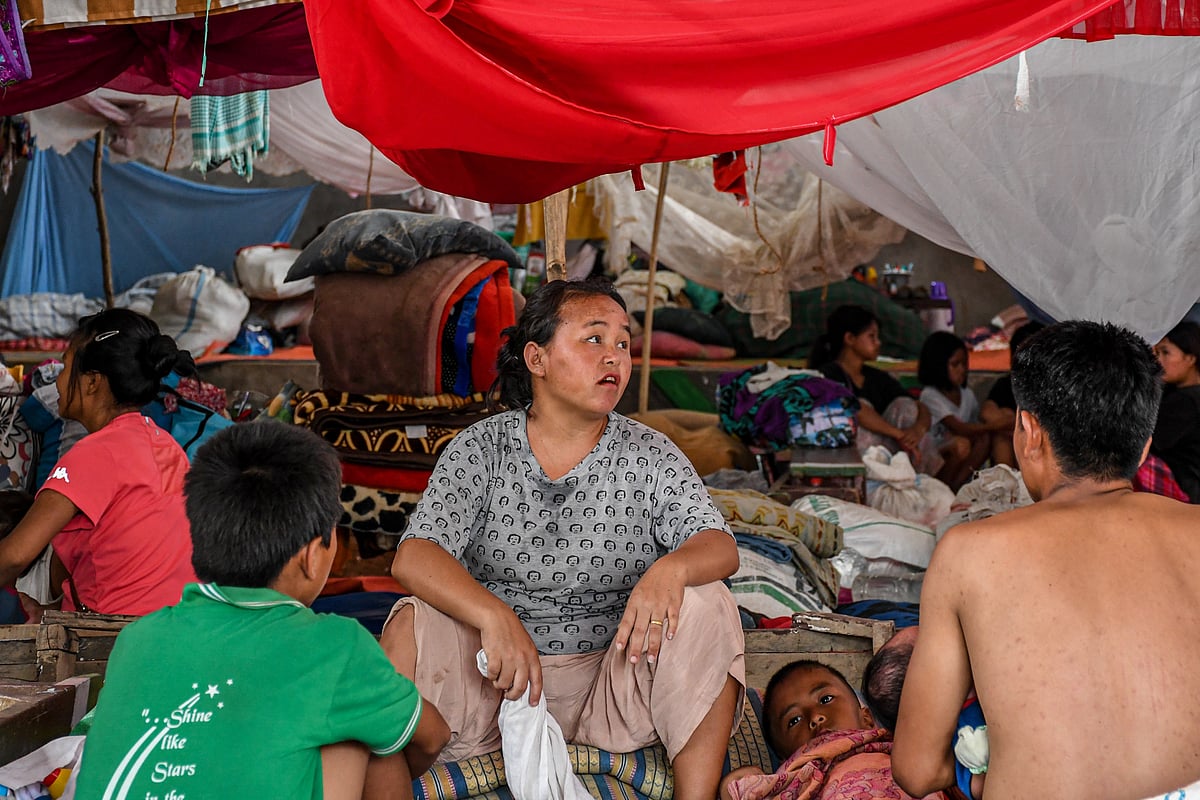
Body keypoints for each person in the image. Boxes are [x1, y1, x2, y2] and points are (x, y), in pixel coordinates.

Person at [380, 277, 744, 800]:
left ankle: (696, 797)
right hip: (497, 681)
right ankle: (383, 786)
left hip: (614, 690)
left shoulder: (650, 453)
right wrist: (494, 616)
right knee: (413, 618)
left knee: (710, 604)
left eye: (623, 342)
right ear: (537, 358)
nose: (614, 357)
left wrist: (673, 568)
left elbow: (720, 544)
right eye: (594, 339)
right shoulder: (480, 449)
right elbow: (414, 555)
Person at [892, 321, 1200, 800]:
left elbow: (916, 769)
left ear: (1027, 432)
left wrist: (976, 776)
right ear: (1142, 448)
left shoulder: (969, 553)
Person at [74, 422, 450, 799]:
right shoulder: (335, 646)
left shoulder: (137, 638)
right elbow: (433, 738)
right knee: (374, 738)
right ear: (309, 556)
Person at [0, 309, 196, 615]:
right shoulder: (168, 447)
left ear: (92, 383)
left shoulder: (94, 453)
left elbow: (13, 557)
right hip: (174, 626)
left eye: (65, 367)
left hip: (111, 640)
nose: (60, 382)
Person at [720, 660, 946, 800]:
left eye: (826, 699)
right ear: (784, 756)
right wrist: (740, 781)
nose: (815, 718)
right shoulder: (795, 775)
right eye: (794, 720)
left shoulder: (900, 749)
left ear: (867, 718)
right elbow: (735, 792)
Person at [811, 305, 941, 474]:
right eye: (871, 336)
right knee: (861, 408)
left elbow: (919, 406)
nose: (878, 343)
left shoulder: (877, 377)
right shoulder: (828, 374)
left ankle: (920, 479)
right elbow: (857, 409)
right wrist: (900, 435)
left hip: (893, 449)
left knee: (906, 405)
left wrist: (917, 430)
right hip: (850, 456)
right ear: (850, 338)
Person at [917, 332, 1010, 490]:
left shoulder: (967, 394)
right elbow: (959, 428)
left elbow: (976, 427)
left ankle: (958, 485)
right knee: (960, 445)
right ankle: (946, 487)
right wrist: (998, 425)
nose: (962, 370)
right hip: (936, 456)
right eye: (955, 364)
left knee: (984, 439)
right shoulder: (930, 395)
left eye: (964, 364)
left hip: (962, 456)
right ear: (938, 365)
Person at [978, 321, 1045, 467]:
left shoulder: (1051, 388)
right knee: (1001, 439)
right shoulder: (1006, 384)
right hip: (1016, 446)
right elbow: (987, 413)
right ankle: (1007, 484)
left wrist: (1013, 424)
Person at [1150, 321, 1200, 502]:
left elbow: (1148, 442)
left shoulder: (1187, 401)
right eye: (1157, 352)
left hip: (1182, 489)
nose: (1158, 360)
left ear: (1190, 358)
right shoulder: (1182, 394)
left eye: (1166, 352)